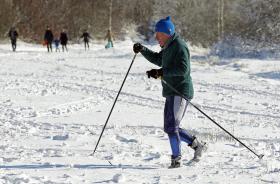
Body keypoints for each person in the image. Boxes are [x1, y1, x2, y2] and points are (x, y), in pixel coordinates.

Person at [133, 16, 206, 168]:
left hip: (180, 91)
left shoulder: (179, 46)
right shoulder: (168, 46)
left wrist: (162, 73)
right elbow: (159, 60)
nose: (156, 37)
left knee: (172, 127)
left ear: (167, 32)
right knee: (170, 127)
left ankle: (176, 160)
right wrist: (143, 50)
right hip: (171, 91)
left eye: (158, 34)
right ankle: (198, 145)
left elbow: (183, 70)